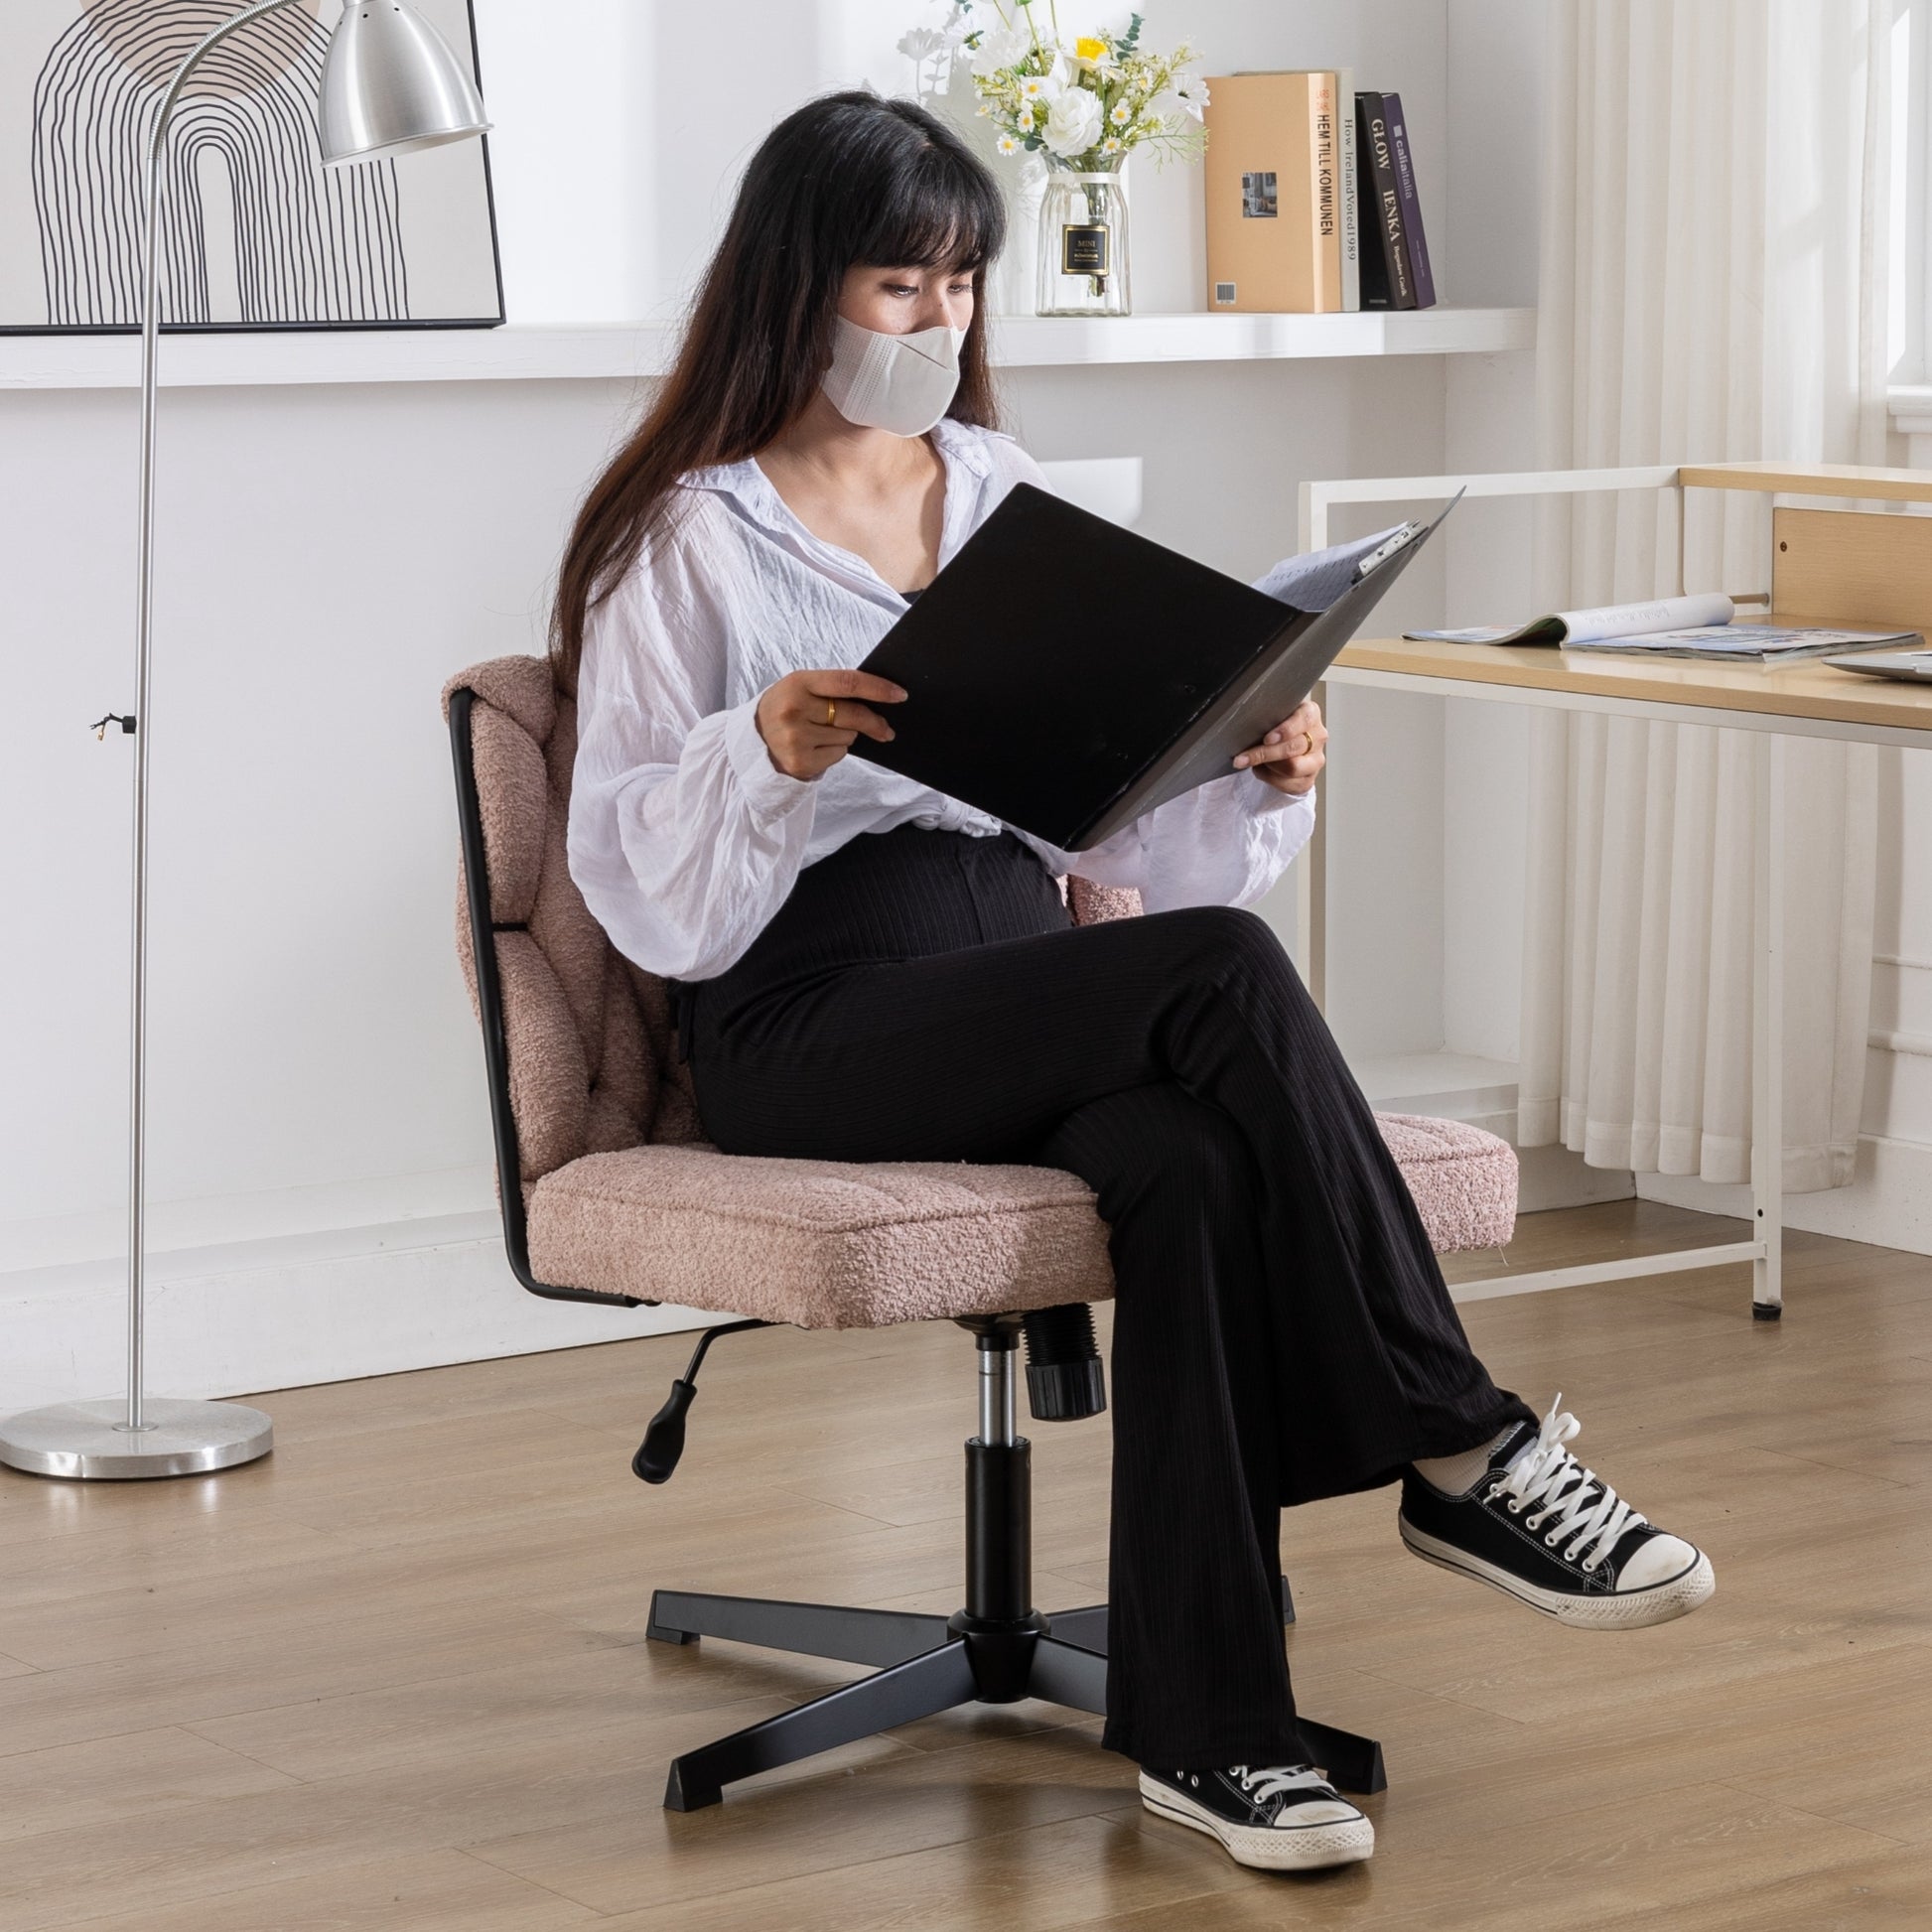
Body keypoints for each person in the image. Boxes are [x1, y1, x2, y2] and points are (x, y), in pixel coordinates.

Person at [558, 90, 1715, 1876]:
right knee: (1230, 977)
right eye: (894, 284)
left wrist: (1245, 765)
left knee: (1190, 1153)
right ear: (794, 287)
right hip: (812, 1019)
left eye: (958, 285)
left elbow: (1113, 856)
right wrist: (761, 749)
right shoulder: (686, 538)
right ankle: (1460, 1443)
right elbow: (645, 892)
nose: (933, 322)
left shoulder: (1008, 494)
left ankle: (1212, 1734)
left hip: (1029, 973)